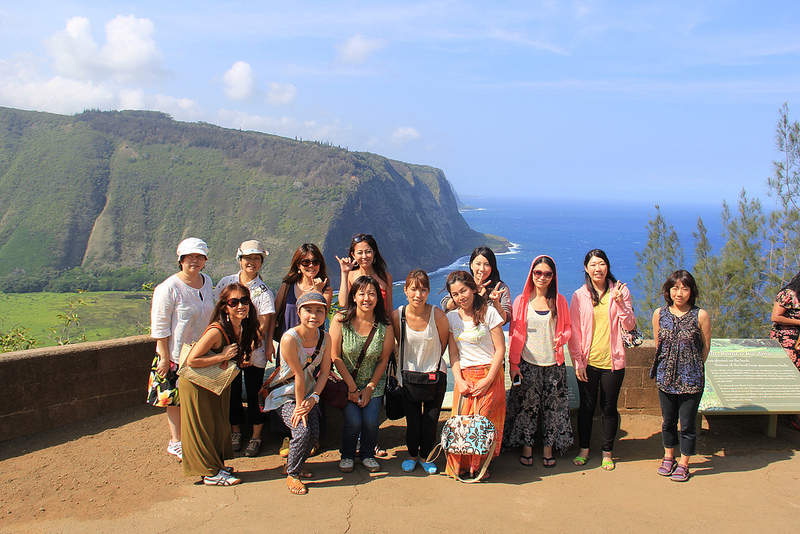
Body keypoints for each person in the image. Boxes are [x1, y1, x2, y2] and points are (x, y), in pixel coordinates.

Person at [180, 282, 262, 486]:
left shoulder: (240, 327)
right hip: (197, 385)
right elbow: (191, 360)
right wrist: (221, 357)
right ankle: (209, 473)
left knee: (217, 424)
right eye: (234, 302)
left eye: (244, 301)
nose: (240, 306)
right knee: (204, 426)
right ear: (225, 306)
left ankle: (216, 466)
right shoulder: (217, 330)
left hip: (214, 383)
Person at [147, 238, 214, 461]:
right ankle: (176, 442)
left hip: (199, 353)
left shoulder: (206, 282)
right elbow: (160, 326)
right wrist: (164, 357)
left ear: (205, 260)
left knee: (194, 398)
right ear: (181, 260)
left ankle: (192, 438)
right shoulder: (168, 288)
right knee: (174, 400)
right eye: (189, 257)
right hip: (175, 354)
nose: (194, 261)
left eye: (199, 257)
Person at [568, 249, 635, 471]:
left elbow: (630, 326)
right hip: (588, 362)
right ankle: (584, 450)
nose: (598, 268)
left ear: (608, 267)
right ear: (586, 269)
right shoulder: (579, 295)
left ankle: (607, 453)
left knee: (609, 409)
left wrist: (622, 304)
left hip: (613, 363)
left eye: (602, 264)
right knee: (586, 408)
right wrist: (578, 361)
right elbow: (575, 331)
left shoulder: (620, 292)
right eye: (593, 265)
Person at [504, 255, 573, 467]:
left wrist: (563, 337)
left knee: (553, 409)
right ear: (531, 274)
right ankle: (526, 447)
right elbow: (514, 335)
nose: (542, 277)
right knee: (527, 408)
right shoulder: (522, 301)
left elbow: (569, 327)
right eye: (538, 273)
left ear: (553, 277)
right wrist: (514, 365)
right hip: (528, 364)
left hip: (554, 365)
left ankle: (548, 449)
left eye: (547, 274)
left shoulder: (560, 301)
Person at [262, 292, 332, 495]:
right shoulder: (289, 338)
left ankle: (294, 465)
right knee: (302, 431)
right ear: (299, 313)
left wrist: (314, 398)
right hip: (284, 394)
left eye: (319, 310)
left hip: (309, 393)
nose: (314, 315)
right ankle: (293, 475)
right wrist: (302, 407)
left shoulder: (325, 338)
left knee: (314, 435)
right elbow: (298, 375)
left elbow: (325, 371)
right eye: (308, 310)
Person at [213, 240, 276, 457]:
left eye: (256, 258)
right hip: (229, 350)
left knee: (254, 391)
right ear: (239, 259)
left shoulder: (263, 291)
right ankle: (236, 431)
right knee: (231, 392)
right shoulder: (226, 283)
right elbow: (218, 312)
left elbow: (264, 324)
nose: (251, 262)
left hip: (253, 351)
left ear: (261, 262)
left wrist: (248, 349)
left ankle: (257, 434)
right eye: (248, 258)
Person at [271, 243, 332, 457]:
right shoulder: (287, 286)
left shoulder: (325, 288)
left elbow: (321, 311)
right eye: (305, 262)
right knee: (286, 384)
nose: (311, 265)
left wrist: (316, 290)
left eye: (315, 261)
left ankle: (312, 433)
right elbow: (275, 313)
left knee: (311, 384)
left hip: (312, 346)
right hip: (289, 344)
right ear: (298, 265)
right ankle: (290, 433)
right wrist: (270, 340)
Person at [445, 270, 506, 481]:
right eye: (455, 294)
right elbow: (453, 353)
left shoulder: (489, 312)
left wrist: (488, 379)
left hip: (489, 375)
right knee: (462, 423)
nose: (461, 296)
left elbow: (500, 349)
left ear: (472, 289)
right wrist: (459, 380)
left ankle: (478, 467)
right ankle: (460, 466)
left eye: (464, 290)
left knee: (482, 423)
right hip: (464, 377)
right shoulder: (451, 318)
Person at [651, 270, 711, 482]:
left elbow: (705, 348)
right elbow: (659, 344)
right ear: (668, 290)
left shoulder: (700, 315)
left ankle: (684, 463)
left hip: (691, 379)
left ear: (691, 291)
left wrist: (690, 367)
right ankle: (669, 456)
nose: (679, 293)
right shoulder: (660, 314)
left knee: (687, 424)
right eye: (675, 288)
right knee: (668, 421)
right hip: (665, 377)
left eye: (684, 288)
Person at [330, 275, 394, 473]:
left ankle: (367, 453)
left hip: (372, 383)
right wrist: (351, 386)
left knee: (371, 421)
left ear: (378, 298)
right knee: (354, 421)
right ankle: (348, 454)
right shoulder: (341, 320)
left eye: (372, 294)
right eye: (362, 293)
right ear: (354, 297)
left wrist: (370, 388)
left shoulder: (385, 325)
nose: (367, 298)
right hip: (345, 382)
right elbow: (335, 355)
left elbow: (384, 359)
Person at [391, 270, 449, 474]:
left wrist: (429, 364)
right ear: (405, 290)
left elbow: (443, 345)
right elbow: (398, 343)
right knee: (413, 423)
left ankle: (426, 456)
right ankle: (412, 455)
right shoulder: (398, 316)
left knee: (430, 422)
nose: (418, 294)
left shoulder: (438, 315)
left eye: (423, 289)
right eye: (414, 289)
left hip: (434, 376)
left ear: (428, 291)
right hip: (408, 377)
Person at [440, 246, 511, 325]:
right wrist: (471, 294)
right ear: (471, 265)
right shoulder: (464, 283)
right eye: (478, 264)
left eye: (487, 264)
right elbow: (445, 305)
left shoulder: (500, 288)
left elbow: (504, 320)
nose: (482, 269)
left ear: (492, 267)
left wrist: (495, 301)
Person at [770, 270, 800, 431]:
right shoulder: (788, 294)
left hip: (798, 341)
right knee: (790, 374)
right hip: (786, 341)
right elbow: (776, 317)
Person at [337, 234, 393, 314]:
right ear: (353, 255)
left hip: (380, 324)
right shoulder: (350, 276)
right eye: (360, 253)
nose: (364, 256)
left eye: (368, 252)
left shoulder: (386, 277)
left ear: (374, 252)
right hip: (357, 324)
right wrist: (344, 273)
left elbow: (389, 309)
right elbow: (343, 303)